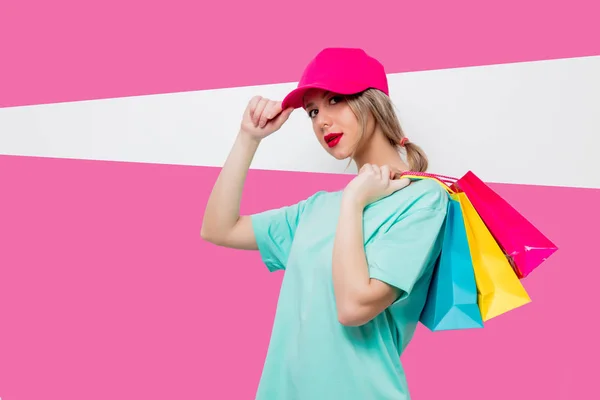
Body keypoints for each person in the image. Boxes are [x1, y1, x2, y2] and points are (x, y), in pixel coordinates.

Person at [201, 47, 449, 399]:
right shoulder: (316, 210)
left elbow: (353, 308)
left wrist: (353, 201)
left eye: (334, 100)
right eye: (313, 111)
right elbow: (218, 229)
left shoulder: (424, 200)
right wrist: (248, 138)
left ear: (372, 102)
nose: (321, 121)